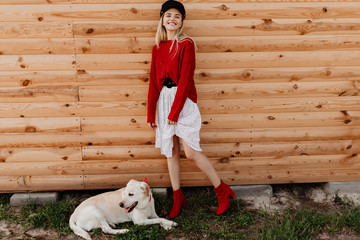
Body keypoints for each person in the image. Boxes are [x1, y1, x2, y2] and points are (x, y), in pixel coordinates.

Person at [147, 0, 235, 218]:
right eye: (168, 15)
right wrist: (151, 112)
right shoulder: (157, 48)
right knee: (171, 152)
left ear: (182, 21)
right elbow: (153, 83)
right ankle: (178, 199)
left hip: (182, 102)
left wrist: (175, 113)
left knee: (191, 153)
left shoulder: (185, 44)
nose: (172, 19)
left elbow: (185, 80)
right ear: (162, 19)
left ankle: (222, 190)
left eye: (177, 16)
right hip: (164, 102)